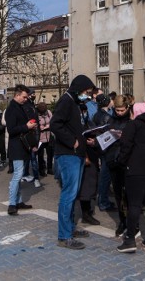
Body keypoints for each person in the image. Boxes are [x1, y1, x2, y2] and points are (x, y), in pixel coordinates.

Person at [50, 74, 96, 250]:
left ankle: (69, 228)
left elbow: (74, 126)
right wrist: (72, 141)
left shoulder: (75, 103)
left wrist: (86, 139)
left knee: (73, 193)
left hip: (76, 153)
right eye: (86, 92)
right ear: (78, 89)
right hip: (68, 153)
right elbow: (56, 124)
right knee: (68, 194)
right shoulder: (66, 101)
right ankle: (64, 235)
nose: (88, 95)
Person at [116, 103, 145, 253]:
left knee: (134, 204)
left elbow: (125, 146)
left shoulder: (133, 125)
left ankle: (129, 240)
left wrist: (121, 162)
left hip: (136, 168)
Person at [4, 85, 36, 215]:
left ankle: (18, 201)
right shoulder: (12, 108)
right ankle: (12, 203)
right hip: (16, 145)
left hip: (21, 145)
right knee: (17, 174)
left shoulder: (19, 107)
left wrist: (29, 126)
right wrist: (26, 126)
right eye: (24, 97)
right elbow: (11, 129)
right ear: (17, 95)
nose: (25, 99)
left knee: (20, 174)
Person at [105, 94, 134, 237]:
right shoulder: (111, 120)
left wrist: (125, 136)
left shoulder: (132, 120)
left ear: (127, 108)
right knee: (118, 194)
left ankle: (131, 223)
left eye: (122, 110)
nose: (120, 113)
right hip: (113, 160)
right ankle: (122, 222)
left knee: (129, 194)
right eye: (117, 110)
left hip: (127, 161)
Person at [92, 93, 116, 212]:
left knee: (104, 175)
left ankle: (103, 200)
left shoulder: (96, 115)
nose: (113, 102)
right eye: (111, 100)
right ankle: (103, 202)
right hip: (107, 148)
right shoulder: (107, 117)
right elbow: (108, 134)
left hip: (100, 148)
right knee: (105, 176)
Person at [36, 102, 54, 177]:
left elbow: (53, 121)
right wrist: (39, 127)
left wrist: (48, 126)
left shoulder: (49, 112)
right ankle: (41, 169)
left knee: (50, 153)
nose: (44, 113)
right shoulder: (36, 114)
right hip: (40, 138)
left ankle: (49, 168)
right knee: (40, 155)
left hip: (49, 136)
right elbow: (35, 124)